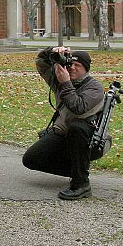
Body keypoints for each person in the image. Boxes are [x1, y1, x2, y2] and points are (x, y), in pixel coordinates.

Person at [22, 46, 105, 200]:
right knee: (30, 159)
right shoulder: (60, 80)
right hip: (61, 133)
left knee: (77, 127)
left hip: (88, 139)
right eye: (70, 64)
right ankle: (78, 169)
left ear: (86, 69)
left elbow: (78, 107)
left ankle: (81, 184)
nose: (72, 68)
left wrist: (65, 83)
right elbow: (41, 62)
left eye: (77, 65)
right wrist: (52, 51)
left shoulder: (95, 87)